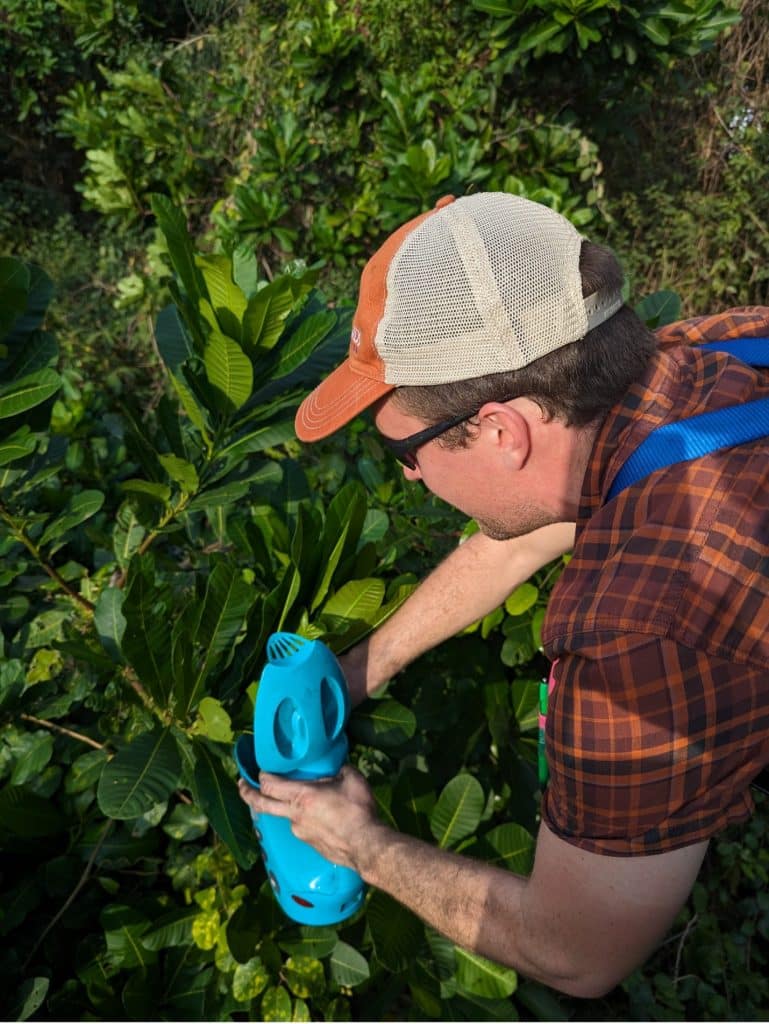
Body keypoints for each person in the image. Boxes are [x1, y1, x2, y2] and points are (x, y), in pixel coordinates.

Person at [238, 192, 769, 998]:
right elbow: (546, 516)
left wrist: (357, 842)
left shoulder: (634, 629)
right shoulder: (716, 352)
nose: (410, 476)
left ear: (498, 431)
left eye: (404, 451)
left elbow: (577, 949)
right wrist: (361, 668)